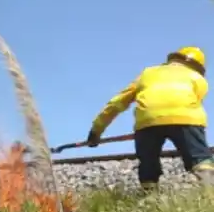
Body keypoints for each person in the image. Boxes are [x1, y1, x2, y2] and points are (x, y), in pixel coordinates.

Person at [87, 46, 214, 191]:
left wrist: (96, 130)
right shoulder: (198, 78)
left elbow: (117, 103)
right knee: (201, 159)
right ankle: (210, 194)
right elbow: (196, 101)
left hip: (147, 120)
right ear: (199, 66)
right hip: (187, 118)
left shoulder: (148, 73)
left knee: (148, 162)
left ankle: (149, 197)